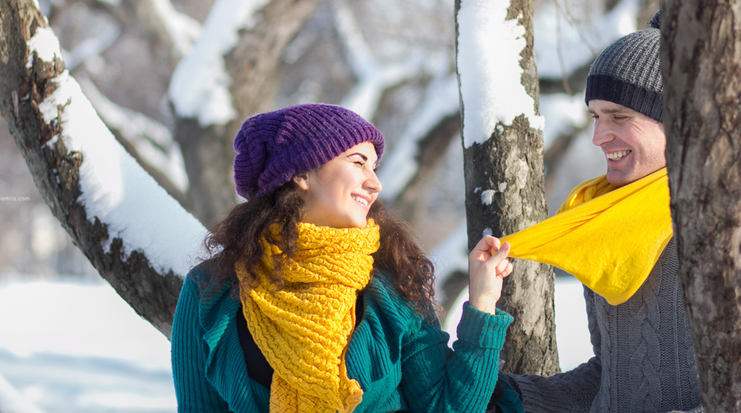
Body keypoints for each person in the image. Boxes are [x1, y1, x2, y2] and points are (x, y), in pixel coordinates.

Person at [171, 103, 515, 413]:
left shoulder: (394, 281)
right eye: (358, 162)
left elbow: (447, 407)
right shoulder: (211, 289)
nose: (375, 183)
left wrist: (483, 302)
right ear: (301, 173)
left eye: (374, 167)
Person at [492, 12, 703, 413]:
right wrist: (510, 396)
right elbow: (614, 376)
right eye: (595, 116)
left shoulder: (722, 228)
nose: (598, 137)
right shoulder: (605, 224)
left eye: (619, 117)